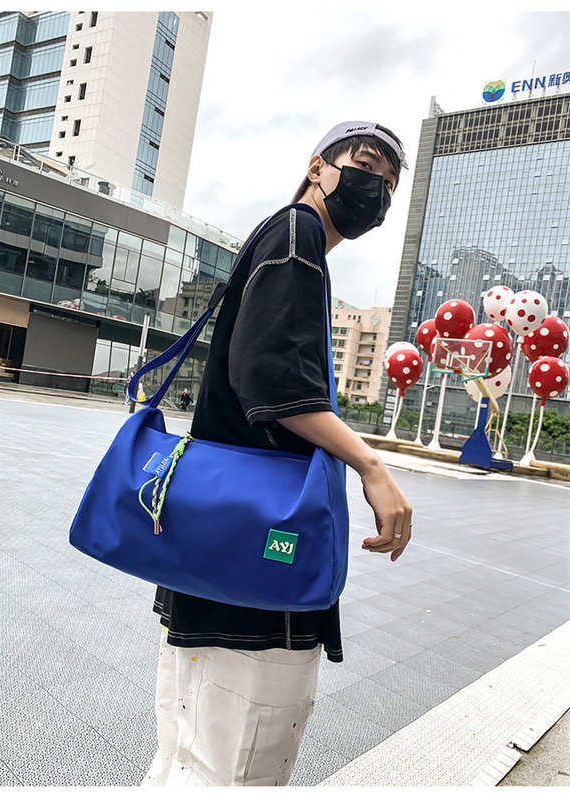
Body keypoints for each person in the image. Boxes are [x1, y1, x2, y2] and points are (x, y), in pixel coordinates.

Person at [141, 121, 413, 787]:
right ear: (318, 167)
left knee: (187, 762)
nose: (375, 188)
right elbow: (271, 383)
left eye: (388, 183)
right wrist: (372, 465)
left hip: (221, 558)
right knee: (236, 770)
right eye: (366, 166)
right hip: (256, 570)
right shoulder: (296, 237)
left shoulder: (287, 241)